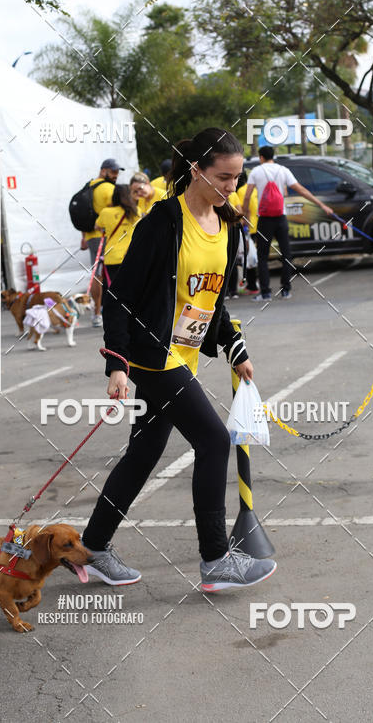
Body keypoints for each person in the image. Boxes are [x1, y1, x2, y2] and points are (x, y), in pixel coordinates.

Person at [82, 127, 277, 592]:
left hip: (184, 356)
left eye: (237, 178)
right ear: (197, 171)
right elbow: (119, 296)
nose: (232, 187)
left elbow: (214, 299)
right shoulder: (163, 222)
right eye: (224, 177)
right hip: (154, 358)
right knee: (213, 441)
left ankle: (92, 548)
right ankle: (215, 560)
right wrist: (117, 362)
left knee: (143, 453)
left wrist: (235, 346)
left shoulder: (227, 226)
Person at [243, 146, 333, 301]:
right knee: (286, 254)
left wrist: (245, 215)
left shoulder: (256, 172)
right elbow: (302, 190)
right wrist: (322, 205)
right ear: (273, 156)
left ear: (261, 157)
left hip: (264, 219)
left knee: (263, 256)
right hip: (280, 217)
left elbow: (247, 196)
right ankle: (286, 290)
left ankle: (265, 293)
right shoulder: (283, 170)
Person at [80, 159, 123, 327]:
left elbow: (85, 212)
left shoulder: (89, 185)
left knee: (96, 273)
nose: (116, 176)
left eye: (117, 172)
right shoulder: (109, 189)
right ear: (104, 170)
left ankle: (97, 314)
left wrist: (83, 237)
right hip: (106, 235)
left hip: (91, 236)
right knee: (108, 273)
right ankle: (104, 312)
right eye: (113, 172)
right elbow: (117, 211)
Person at [96, 185, 141, 289]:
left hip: (112, 256)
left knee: (113, 289)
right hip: (131, 256)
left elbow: (97, 226)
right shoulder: (136, 211)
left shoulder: (106, 212)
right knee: (130, 288)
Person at [227, 171, 259, 296]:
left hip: (244, 228)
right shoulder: (254, 190)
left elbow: (241, 212)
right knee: (251, 257)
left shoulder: (238, 192)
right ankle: (253, 285)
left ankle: (248, 285)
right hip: (255, 226)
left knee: (239, 258)